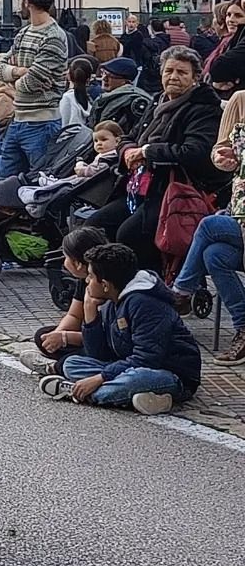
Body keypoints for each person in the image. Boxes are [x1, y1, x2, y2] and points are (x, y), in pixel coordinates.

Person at [90, 45, 221, 273]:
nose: (174, 77)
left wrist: (147, 151)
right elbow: (128, 137)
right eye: (169, 71)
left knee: (129, 233)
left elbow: (195, 152)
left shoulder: (203, 108)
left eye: (182, 72)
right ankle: (102, 292)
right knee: (95, 225)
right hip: (138, 188)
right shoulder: (156, 102)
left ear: (195, 78)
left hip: (174, 190)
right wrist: (129, 151)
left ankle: (147, 289)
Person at [38, 243, 200, 414]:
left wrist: (100, 378)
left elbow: (146, 359)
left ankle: (78, 392)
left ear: (106, 284)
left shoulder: (145, 304)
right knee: (72, 364)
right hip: (127, 366)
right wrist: (90, 313)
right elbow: (98, 354)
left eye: (91, 277)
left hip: (169, 373)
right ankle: (149, 399)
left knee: (136, 379)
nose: (87, 281)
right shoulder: (112, 300)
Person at [168, 45, 245, 363]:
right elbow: (220, 151)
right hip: (241, 208)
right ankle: (243, 330)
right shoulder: (241, 102)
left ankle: (180, 292)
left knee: (209, 225)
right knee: (215, 256)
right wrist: (225, 158)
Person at [0, 0, 69, 179]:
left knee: (41, 184)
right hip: (18, 120)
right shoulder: (23, 33)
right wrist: (20, 71)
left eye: (21, 0)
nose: (19, 6)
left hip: (42, 124)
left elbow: (31, 83)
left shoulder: (53, 37)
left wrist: (18, 75)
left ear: (28, 2)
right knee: (3, 184)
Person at [32, 225, 109, 372]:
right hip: (90, 337)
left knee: (70, 363)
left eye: (66, 256)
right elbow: (74, 315)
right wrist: (56, 337)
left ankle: (55, 368)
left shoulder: (104, 284)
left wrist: (66, 337)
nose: (64, 262)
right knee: (42, 336)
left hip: (107, 343)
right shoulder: (84, 279)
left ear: (78, 264)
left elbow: (107, 338)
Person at [92, 57, 148, 133]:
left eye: (110, 76)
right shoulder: (105, 98)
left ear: (126, 81)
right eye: (103, 73)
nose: (104, 78)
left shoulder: (133, 102)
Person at [203, 0, 245, 78]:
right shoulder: (230, 42)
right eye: (228, 15)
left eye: (238, 15)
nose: (231, 20)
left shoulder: (230, 43)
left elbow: (218, 67)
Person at [59, 55, 96, 129]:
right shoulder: (90, 98)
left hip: (71, 137)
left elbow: (63, 124)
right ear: (88, 79)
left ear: (69, 75)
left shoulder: (67, 98)